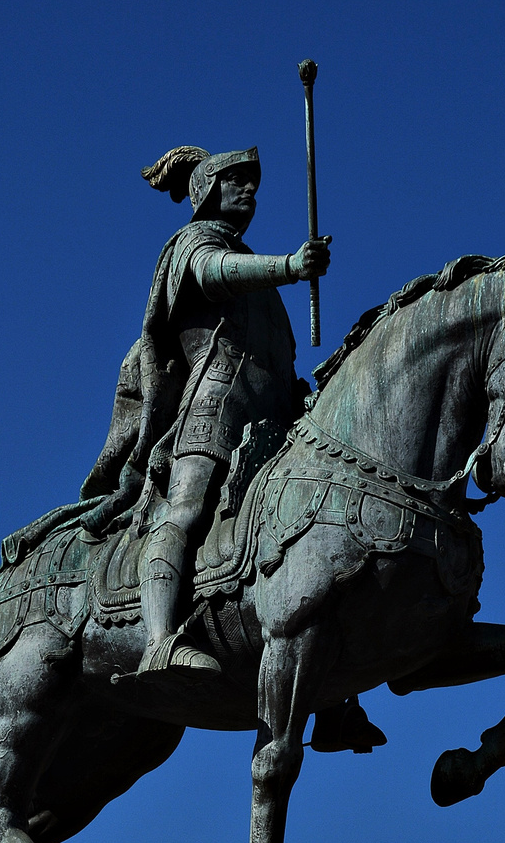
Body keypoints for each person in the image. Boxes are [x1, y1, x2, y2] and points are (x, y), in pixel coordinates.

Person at [81, 145, 330, 677]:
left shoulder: (256, 280)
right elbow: (214, 273)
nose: (250, 192)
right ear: (208, 190)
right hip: (214, 405)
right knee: (187, 506)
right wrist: (289, 265)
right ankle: (158, 642)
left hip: (275, 415)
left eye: (253, 184)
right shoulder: (193, 244)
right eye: (237, 181)